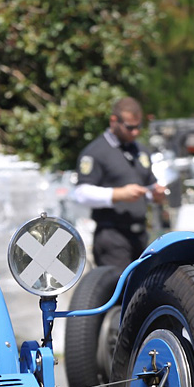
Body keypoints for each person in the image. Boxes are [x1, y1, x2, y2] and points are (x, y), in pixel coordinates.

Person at [73, 96, 166, 270]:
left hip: (141, 236)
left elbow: (148, 186)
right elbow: (81, 193)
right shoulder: (96, 151)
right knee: (119, 292)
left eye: (138, 127)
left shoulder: (140, 151)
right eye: (130, 127)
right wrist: (118, 194)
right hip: (112, 236)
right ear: (114, 121)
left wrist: (156, 194)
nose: (135, 133)